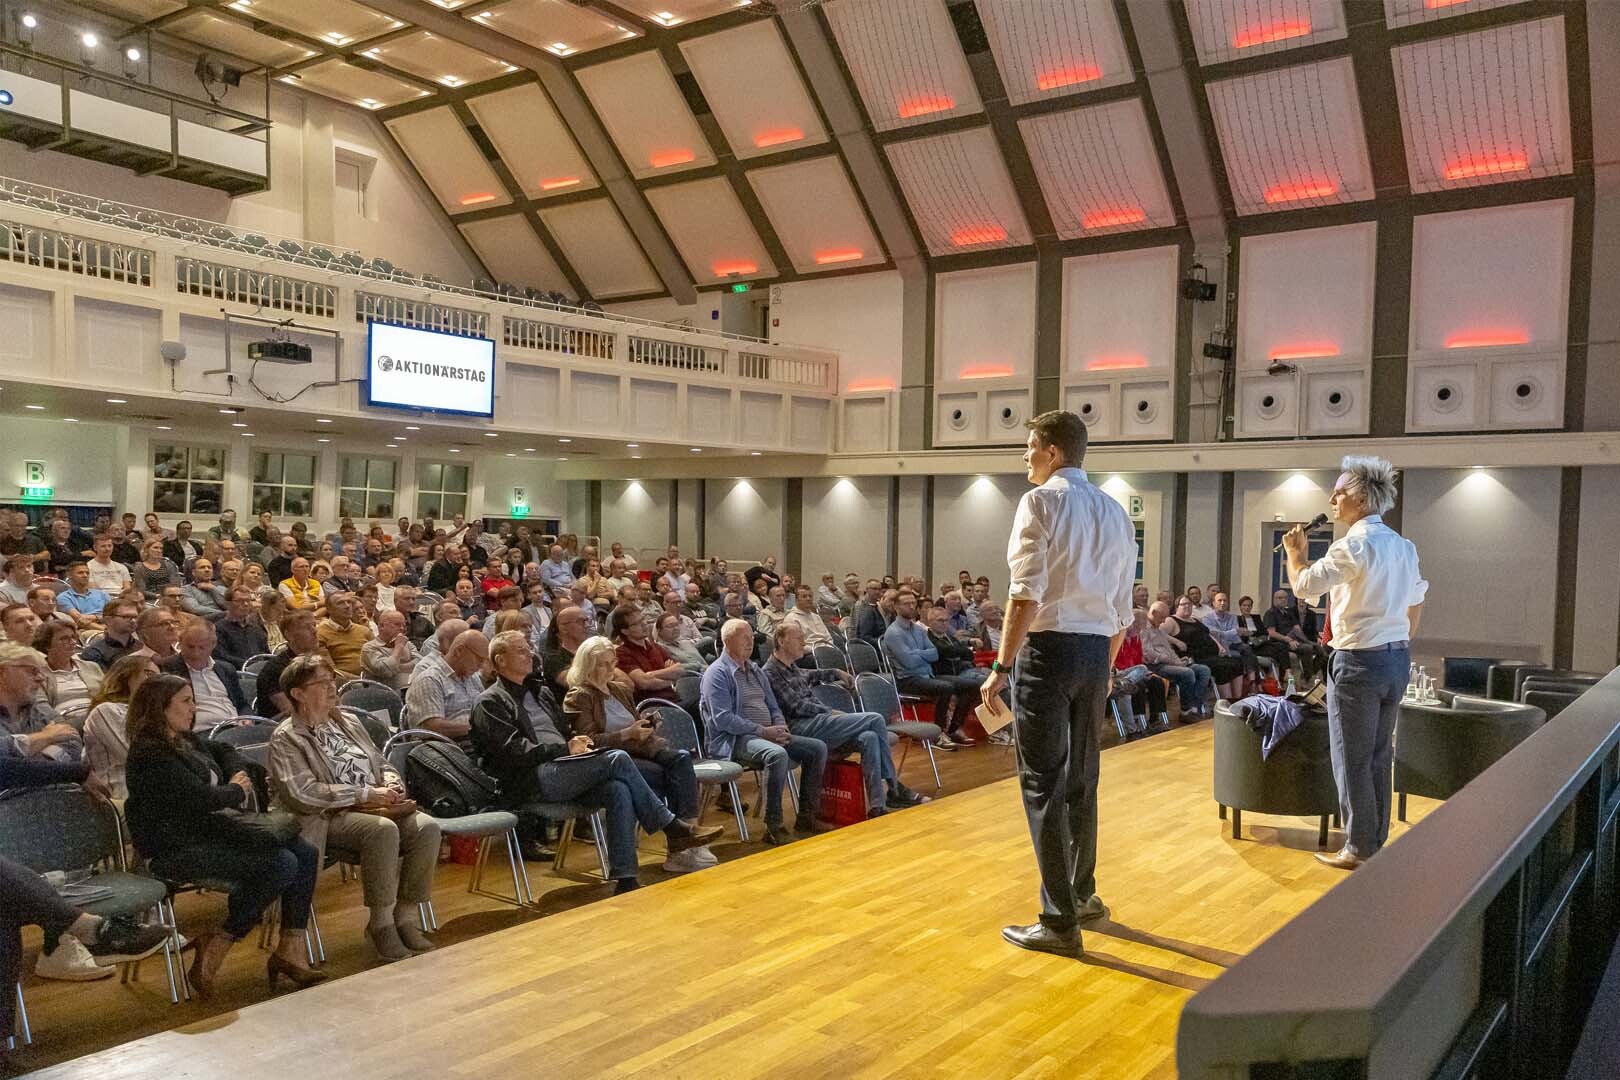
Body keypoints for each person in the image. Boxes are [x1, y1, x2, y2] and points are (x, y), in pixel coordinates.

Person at [980, 410, 1135, 959]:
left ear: (1052, 451)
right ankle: (1083, 894)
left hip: (1047, 653)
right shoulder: (1116, 512)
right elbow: (1122, 611)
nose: (1024, 456)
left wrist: (1002, 666)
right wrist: (1105, 667)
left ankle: (1058, 919)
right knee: (1083, 779)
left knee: (1042, 783)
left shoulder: (1040, 501)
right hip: (1096, 654)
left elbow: (1025, 594)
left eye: (1029, 446)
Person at [471, 631, 721, 892]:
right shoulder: (490, 702)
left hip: (565, 767)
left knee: (618, 789)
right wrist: (566, 746)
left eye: (529, 647)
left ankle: (626, 878)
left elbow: (567, 732)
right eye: (521, 650)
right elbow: (515, 753)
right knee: (617, 759)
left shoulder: (541, 692)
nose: (530, 653)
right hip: (530, 779)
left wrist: (577, 742)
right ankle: (672, 827)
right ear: (500, 660)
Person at [123, 674, 323, 998]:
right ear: (160, 708)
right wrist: (234, 790)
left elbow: (227, 750)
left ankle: (290, 948)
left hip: (211, 832)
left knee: (305, 852)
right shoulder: (150, 754)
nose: (194, 707)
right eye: (185, 701)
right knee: (282, 862)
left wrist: (233, 777)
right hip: (175, 846)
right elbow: (200, 800)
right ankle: (221, 939)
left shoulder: (183, 739)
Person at [1283, 455, 1427, 871]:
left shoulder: (1353, 545)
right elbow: (1417, 600)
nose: (1332, 497)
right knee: (1381, 755)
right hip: (1396, 659)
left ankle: (1359, 847)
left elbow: (1305, 586)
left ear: (1362, 498)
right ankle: (1376, 839)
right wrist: (1397, 640)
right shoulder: (1403, 546)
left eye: (1340, 491)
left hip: (1358, 664)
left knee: (1351, 757)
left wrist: (1296, 554)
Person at [268, 655, 439, 961]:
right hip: (321, 818)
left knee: (427, 827)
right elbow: (301, 793)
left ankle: (406, 916)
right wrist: (363, 795)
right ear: (298, 693)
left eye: (333, 679)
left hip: (373, 806)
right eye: (322, 682)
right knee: (383, 831)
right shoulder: (286, 737)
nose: (333, 686)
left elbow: (380, 762)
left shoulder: (347, 720)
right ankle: (381, 923)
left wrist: (391, 783)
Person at [561, 636, 716, 873]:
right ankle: (681, 842)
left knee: (681, 758)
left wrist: (645, 726)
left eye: (612, 662)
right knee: (665, 775)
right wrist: (625, 734)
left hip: (640, 749)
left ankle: (688, 836)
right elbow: (587, 741)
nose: (610, 668)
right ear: (588, 665)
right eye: (603, 663)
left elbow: (634, 723)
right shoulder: (579, 696)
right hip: (612, 758)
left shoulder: (618, 689)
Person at [764, 622, 927, 817]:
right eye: (799, 638)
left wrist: (836, 671)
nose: (803, 642)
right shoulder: (771, 672)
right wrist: (830, 711)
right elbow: (796, 707)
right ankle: (894, 788)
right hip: (800, 728)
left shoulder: (791, 667)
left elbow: (811, 675)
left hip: (817, 723)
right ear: (782, 641)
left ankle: (877, 805)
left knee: (869, 737)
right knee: (874, 719)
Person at [700, 619, 828, 846]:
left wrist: (780, 726)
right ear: (728, 641)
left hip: (767, 733)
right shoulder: (717, 674)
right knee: (776, 755)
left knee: (817, 748)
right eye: (744, 638)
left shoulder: (756, 670)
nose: (751, 642)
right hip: (734, 739)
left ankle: (807, 818)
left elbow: (773, 705)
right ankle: (773, 825)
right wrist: (763, 731)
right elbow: (723, 719)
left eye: (752, 637)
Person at [884, 593, 980, 747]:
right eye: (906, 603)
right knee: (945, 687)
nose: (910, 606)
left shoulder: (919, 630)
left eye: (913, 603)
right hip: (907, 679)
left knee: (971, 685)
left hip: (927, 675)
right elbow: (908, 662)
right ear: (896, 607)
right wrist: (923, 654)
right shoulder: (893, 633)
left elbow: (934, 654)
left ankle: (954, 729)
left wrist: (917, 654)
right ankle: (938, 733)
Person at [81, 653, 160, 800]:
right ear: (125, 676)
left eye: (159, 677)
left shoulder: (153, 714)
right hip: (122, 796)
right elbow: (136, 757)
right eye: (149, 674)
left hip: (158, 790)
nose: (156, 683)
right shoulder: (106, 711)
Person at [160, 621, 249, 733]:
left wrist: (246, 717)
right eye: (190, 647)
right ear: (180, 642)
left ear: (213, 644)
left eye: (202, 647)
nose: (196, 653)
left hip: (236, 727)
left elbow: (242, 704)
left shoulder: (225, 668)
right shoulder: (167, 668)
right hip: (199, 733)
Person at [404, 625, 487, 743]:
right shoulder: (430, 679)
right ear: (459, 651)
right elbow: (434, 727)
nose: (482, 665)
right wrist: (478, 728)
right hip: (442, 746)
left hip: (474, 741)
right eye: (479, 659)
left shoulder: (473, 678)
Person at [1142, 601, 1212, 717]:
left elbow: (1169, 650)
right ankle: (1186, 711)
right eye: (1162, 618)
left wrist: (1178, 661)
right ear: (1153, 613)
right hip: (1155, 665)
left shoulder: (1158, 628)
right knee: (1187, 673)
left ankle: (1194, 706)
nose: (1164, 621)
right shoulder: (1144, 629)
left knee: (1204, 670)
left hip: (1171, 663)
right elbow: (1148, 654)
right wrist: (1174, 662)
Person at [1169, 596, 1244, 701]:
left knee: (1237, 663)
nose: (1187, 606)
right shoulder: (1171, 620)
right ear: (1177, 606)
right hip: (1195, 657)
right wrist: (1176, 641)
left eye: (1189, 604)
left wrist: (1219, 646)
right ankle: (1227, 702)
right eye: (1183, 604)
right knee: (1223, 667)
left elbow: (1208, 634)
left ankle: (1238, 699)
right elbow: (1160, 634)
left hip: (1210, 654)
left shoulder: (1195, 620)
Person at [610, 605, 683, 705]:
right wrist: (670, 679)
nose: (644, 624)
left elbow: (679, 669)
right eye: (637, 623)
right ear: (625, 631)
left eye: (643, 619)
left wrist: (650, 674)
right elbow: (644, 683)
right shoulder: (622, 653)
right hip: (654, 705)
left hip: (675, 699)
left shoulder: (655, 647)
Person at [255, 610, 320, 719]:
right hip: (283, 728)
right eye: (306, 627)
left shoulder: (317, 662)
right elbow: (291, 711)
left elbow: (334, 700)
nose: (314, 631)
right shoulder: (275, 669)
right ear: (289, 635)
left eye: (314, 625)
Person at [34, 621, 100, 725]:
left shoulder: (91, 667)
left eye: (73, 637)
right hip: (62, 722)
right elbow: (41, 707)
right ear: (47, 645)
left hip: (97, 715)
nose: (73, 642)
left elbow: (108, 696)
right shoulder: (37, 673)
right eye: (64, 639)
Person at [1263, 588, 1329, 680]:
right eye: (1280, 598)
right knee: (1307, 648)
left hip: (1295, 640)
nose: (1283, 600)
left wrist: (1307, 641)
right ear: (1274, 599)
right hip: (1280, 643)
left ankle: (1310, 673)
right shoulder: (1271, 613)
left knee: (1321, 651)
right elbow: (1271, 633)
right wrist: (1289, 640)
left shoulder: (1288, 613)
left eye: (1285, 598)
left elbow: (1297, 629)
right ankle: (1308, 678)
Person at [317, 592, 373, 679]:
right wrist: (361, 681)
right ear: (329, 609)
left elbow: (378, 658)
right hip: (345, 684)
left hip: (372, 679)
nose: (347, 606)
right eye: (340, 603)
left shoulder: (364, 630)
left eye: (349, 602)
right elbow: (330, 670)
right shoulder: (320, 633)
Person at [363, 609, 420, 692]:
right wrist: (398, 648)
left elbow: (420, 663)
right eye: (397, 625)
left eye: (404, 625)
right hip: (383, 694)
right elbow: (386, 671)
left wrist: (397, 666)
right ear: (382, 626)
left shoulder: (407, 643)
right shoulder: (369, 648)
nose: (402, 628)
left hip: (410, 689)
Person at [783, 584, 834, 649]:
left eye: (810, 596)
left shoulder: (816, 617)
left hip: (825, 650)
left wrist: (829, 648)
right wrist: (817, 650)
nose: (808, 599)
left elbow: (829, 638)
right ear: (796, 600)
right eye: (804, 596)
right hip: (807, 654)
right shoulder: (791, 618)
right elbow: (794, 645)